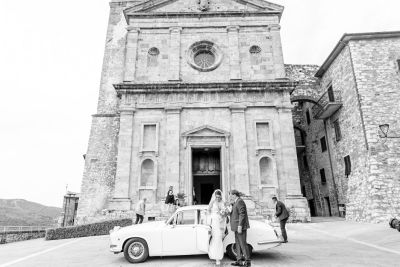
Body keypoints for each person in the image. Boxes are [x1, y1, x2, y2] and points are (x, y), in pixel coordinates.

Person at [229, 190, 250, 267]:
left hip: (240, 227)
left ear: (234, 195)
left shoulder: (240, 201)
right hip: (236, 227)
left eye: (231, 195)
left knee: (243, 244)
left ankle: (248, 262)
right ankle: (239, 260)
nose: (230, 197)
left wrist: (240, 226)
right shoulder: (235, 202)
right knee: (237, 244)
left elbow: (242, 214)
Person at [208, 189, 227, 266]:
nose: (218, 198)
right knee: (215, 238)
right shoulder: (212, 202)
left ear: (221, 196)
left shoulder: (223, 203)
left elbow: (226, 213)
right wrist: (212, 217)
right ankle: (215, 256)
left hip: (221, 222)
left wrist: (223, 214)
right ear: (214, 197)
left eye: (219, 197)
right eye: (217, 197)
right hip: (214, 223)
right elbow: (208, 211)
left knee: (219, 238)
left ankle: (218, 257)